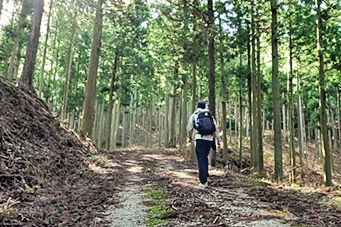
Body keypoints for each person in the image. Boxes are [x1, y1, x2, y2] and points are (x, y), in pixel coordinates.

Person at [187, 100, 221, 188]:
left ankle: (203, 181)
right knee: (205, 158)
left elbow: (189, 128)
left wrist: (190, 137)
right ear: (205, 106)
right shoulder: (210, 116)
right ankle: (205, 177)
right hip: (209, 139)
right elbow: (215, 129)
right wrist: (218, 140)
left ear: (197, 106)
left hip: (199, 139)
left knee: (201, 159)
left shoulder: (194, 115)